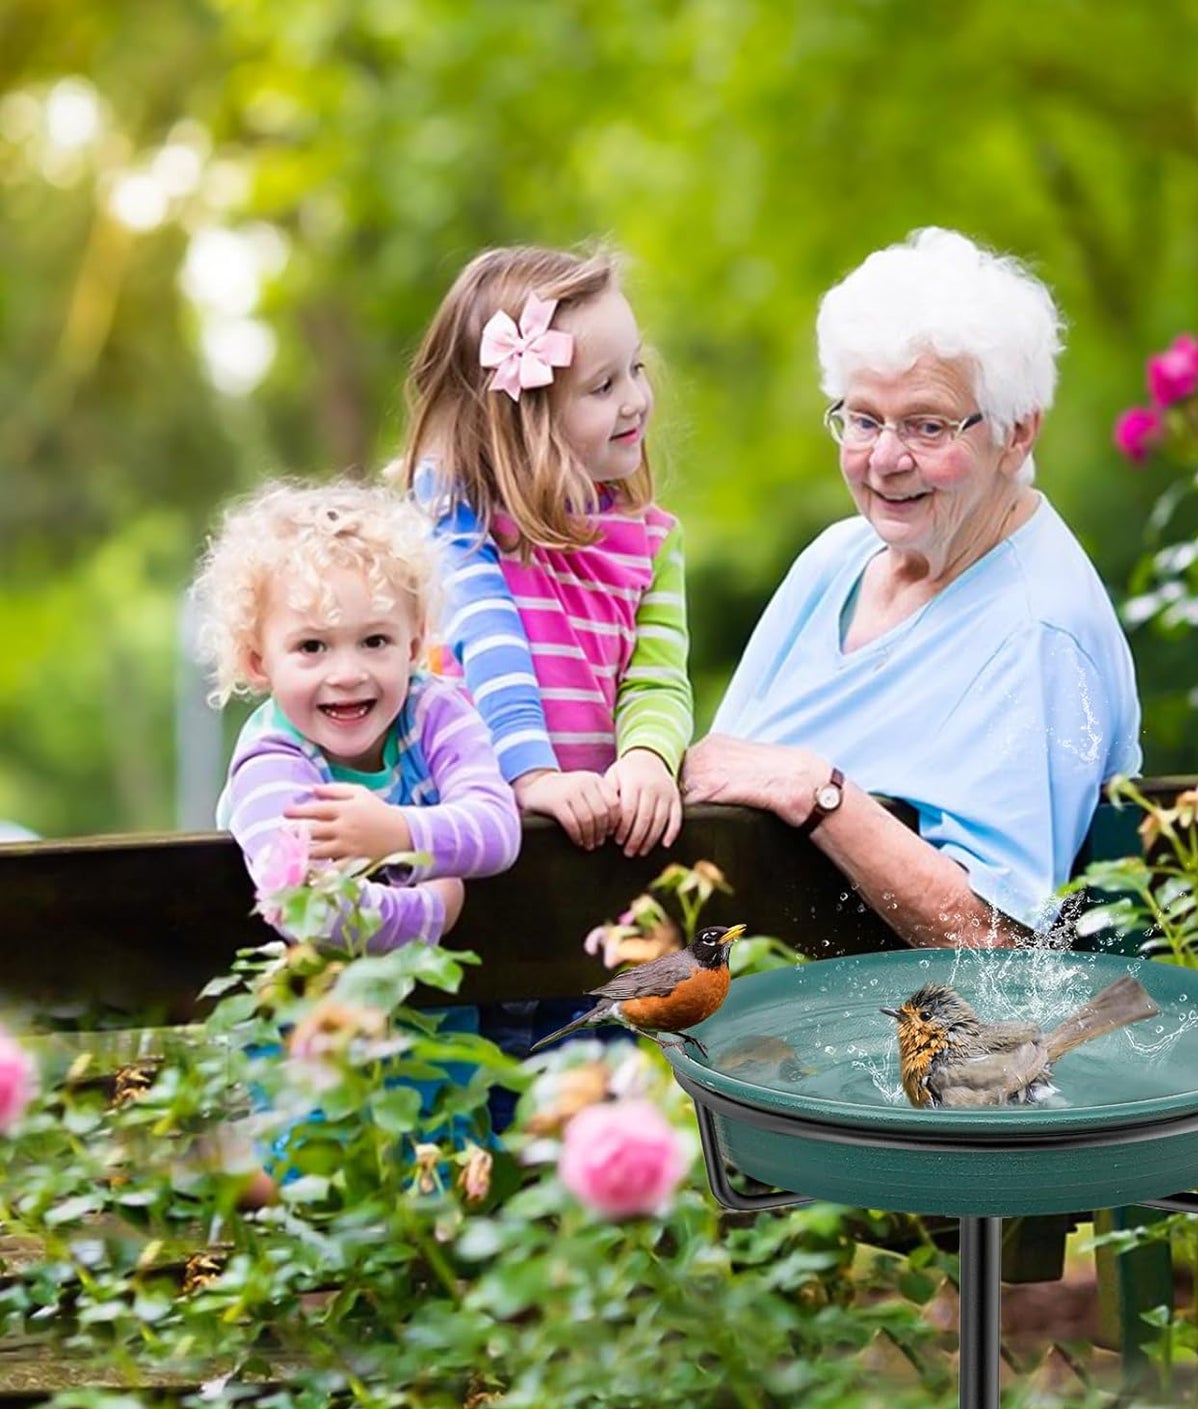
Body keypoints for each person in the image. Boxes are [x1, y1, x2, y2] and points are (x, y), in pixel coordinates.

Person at [684, 227, 1142, 947]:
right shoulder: (836, 559)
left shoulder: (1038, 629)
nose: (885, 459)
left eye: (927, 427)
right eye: (864, 420)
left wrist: (818, 793)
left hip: (906, 1018)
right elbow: (714, 772)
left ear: (1017, 433)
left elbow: (999, 942)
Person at [403, 244, 691, 862]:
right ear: (526, 420)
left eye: (636, 368)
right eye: (603, 386)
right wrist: (532, 774)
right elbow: (488, 635)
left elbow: (656, 678)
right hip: (472, 815)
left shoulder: (652, 540)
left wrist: (648, 758)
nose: (636, 400)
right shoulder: (460, 516)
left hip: (594, 824)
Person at [193, 479, 523, 953]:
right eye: (312, 646)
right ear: (258, 663)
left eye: (374, 641)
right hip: (313, 999)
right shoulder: (271, 762)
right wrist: (431, 909)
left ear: (414, 645)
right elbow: (308, 910)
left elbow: (498, 827)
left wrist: (397, 833)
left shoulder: (434, 711)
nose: (347, 674)